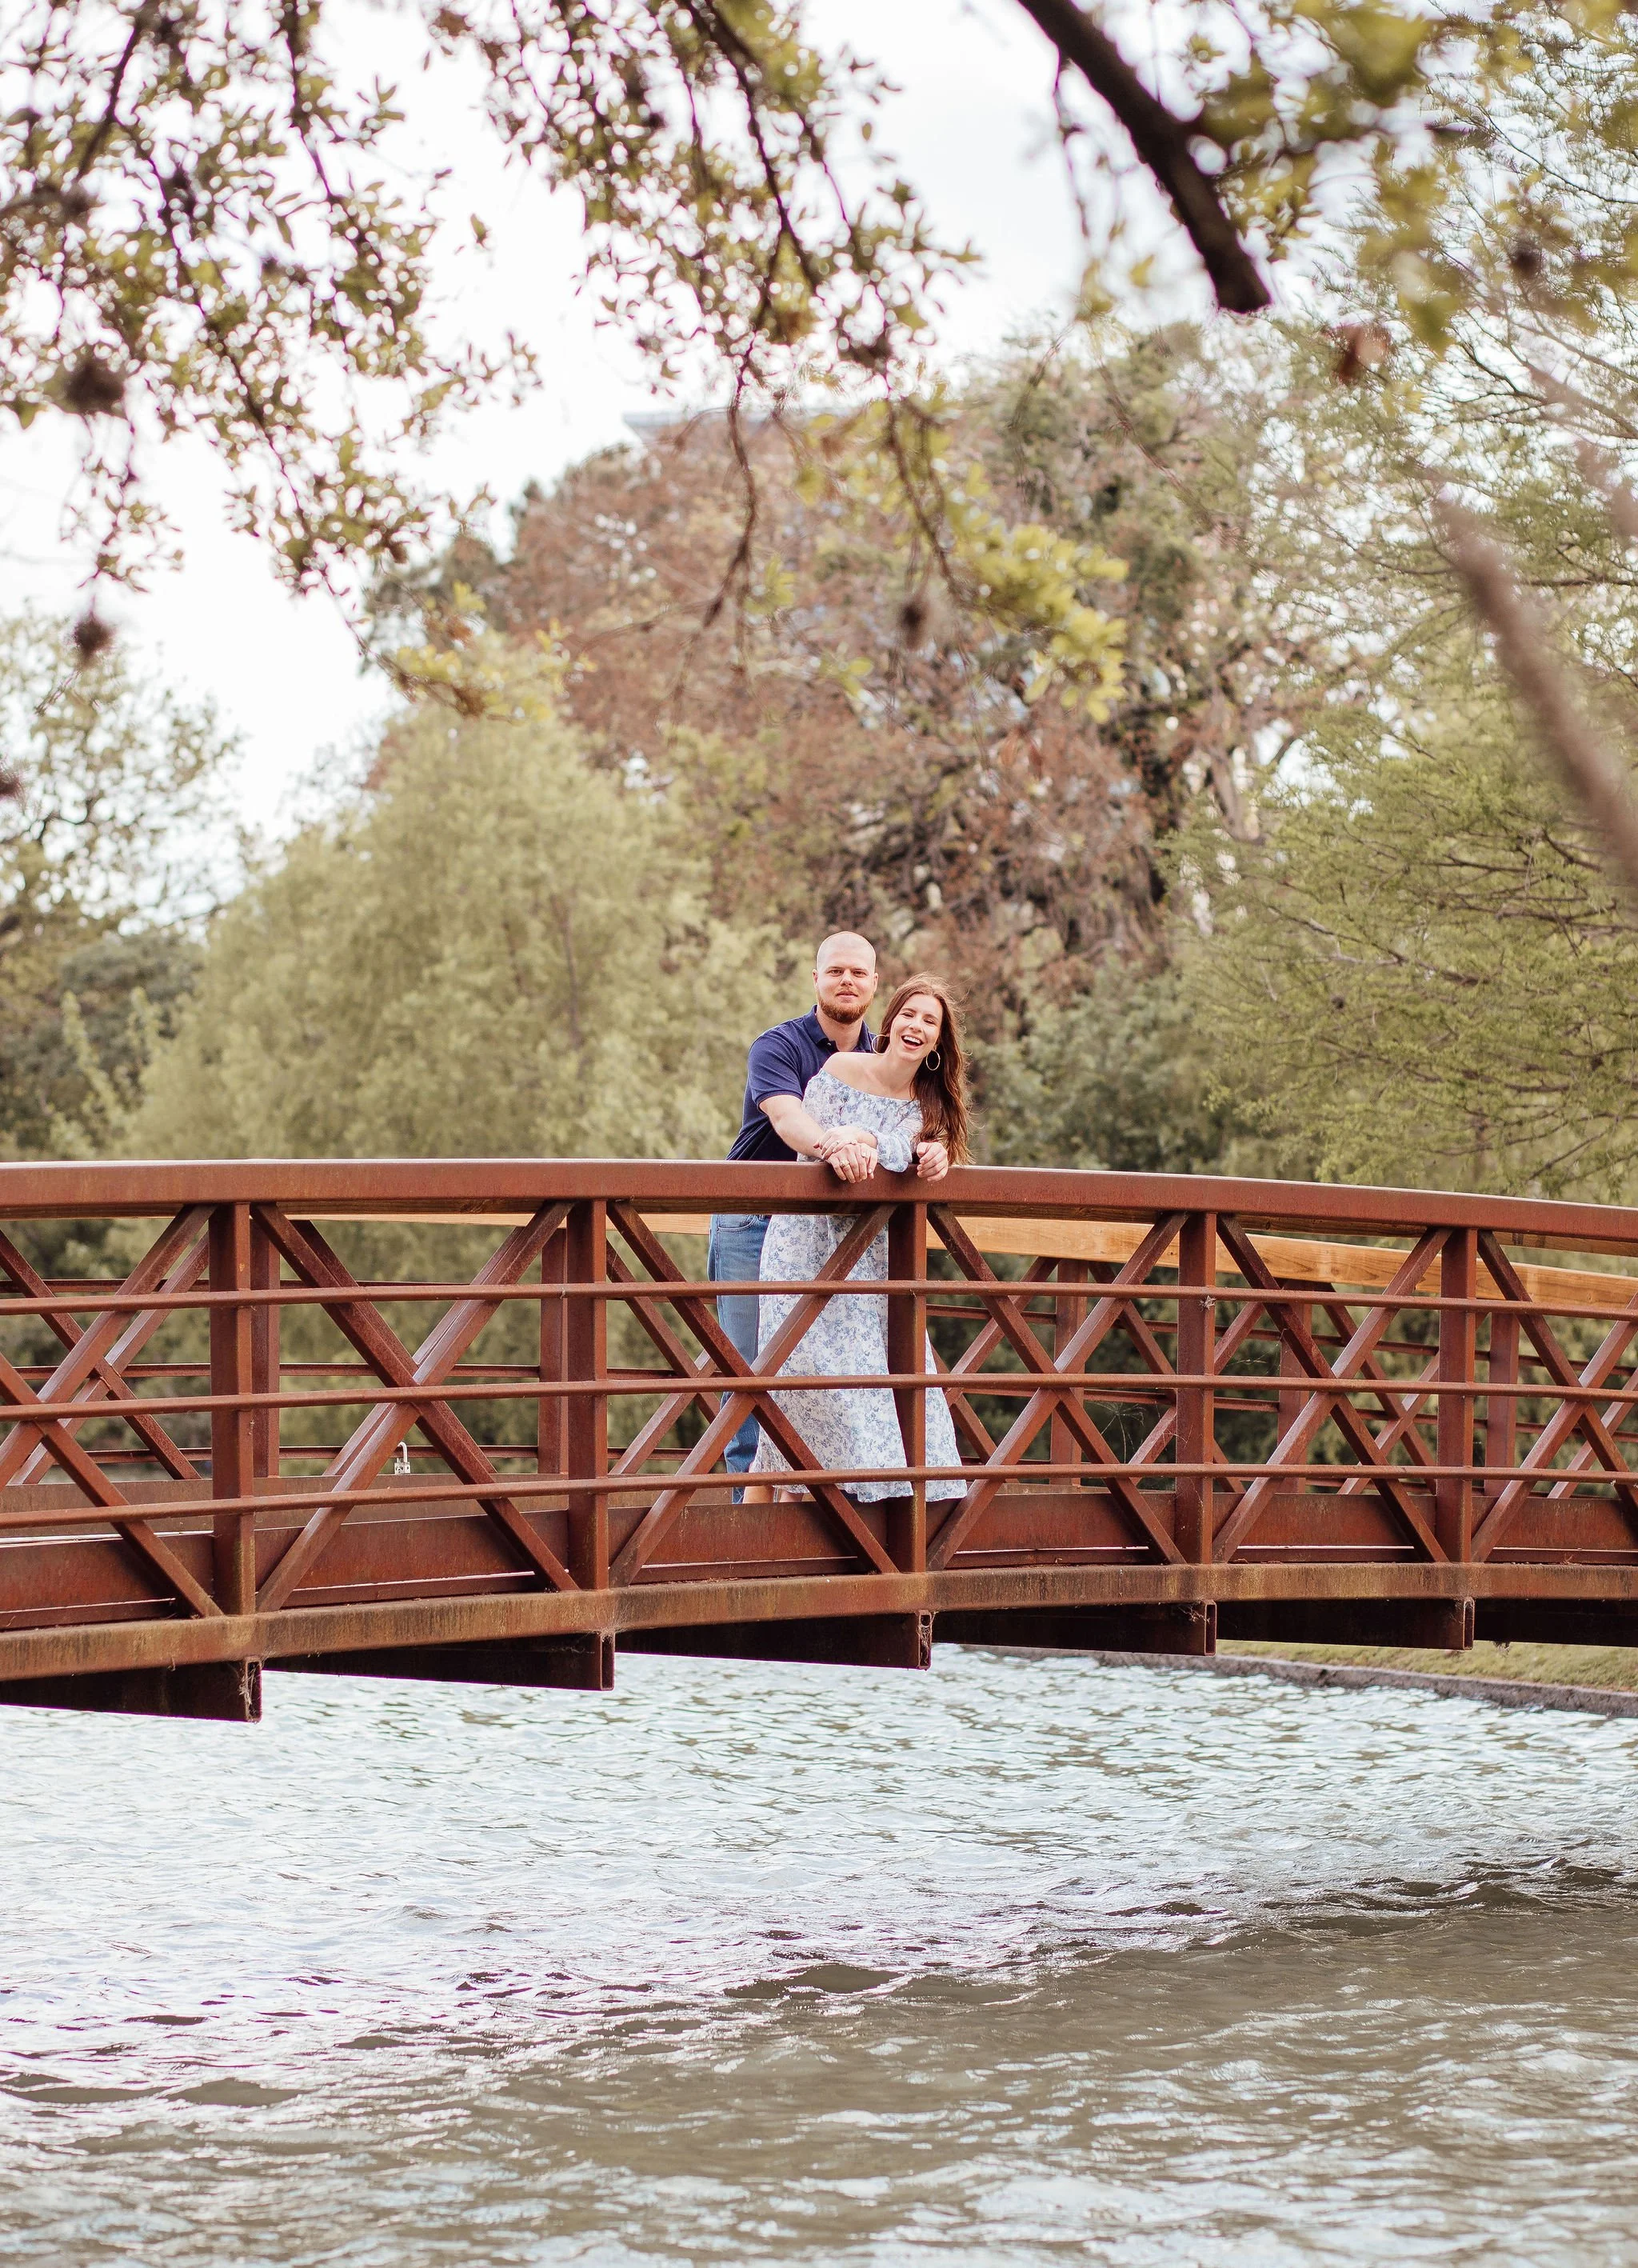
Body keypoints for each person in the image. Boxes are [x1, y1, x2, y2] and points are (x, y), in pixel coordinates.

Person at [709, 934, 949, 1479]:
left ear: (874, 986)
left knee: (831, 1374)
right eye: (836, 970)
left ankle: (818, 1511)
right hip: (754, 1218)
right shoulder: (778, 1045)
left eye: (859, 973)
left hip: (829, 1234)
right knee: (752, 1374)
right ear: (815, 979)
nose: (847, 980)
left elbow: (908, 1126)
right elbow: (789, 1119)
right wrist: (833, 1144)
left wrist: (933, 1150)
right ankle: (747, 1518)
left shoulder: (882, 1058)